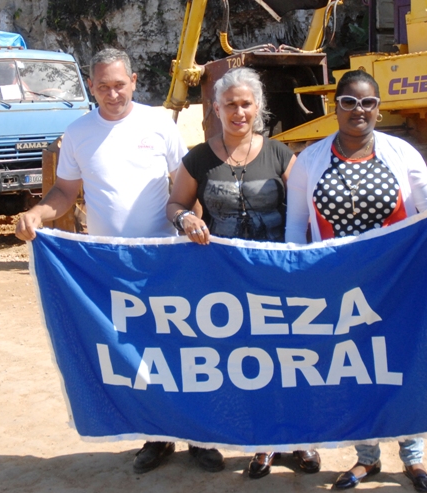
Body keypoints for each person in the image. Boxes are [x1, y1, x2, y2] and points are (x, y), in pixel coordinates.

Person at [14, 48, 225, 475]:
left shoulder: (158, 124)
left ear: (133, 80)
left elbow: (185, 189)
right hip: (108, 266)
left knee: (184, 349)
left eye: (119, 84)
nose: (113, 94)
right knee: (138, 354)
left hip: (166, 259)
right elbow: (64, 195)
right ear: (91, 88)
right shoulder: (76, 134)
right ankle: (157, 436)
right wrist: (37, 213)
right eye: (103, 87)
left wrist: (195, 242)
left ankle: (200, 436)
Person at [285, 69, 427, 493]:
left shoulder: (403, 152)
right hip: (338, 287)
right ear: (334, 107)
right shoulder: (310, 161)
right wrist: (298, 280)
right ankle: (366, 459)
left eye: (368, 102)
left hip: (396, 284)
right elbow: (295, 229)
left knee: (400, 365)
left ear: (379, 108)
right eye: (349, 102)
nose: (359, 110)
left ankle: (414, 458)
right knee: (355, 369)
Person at [165, 67, 321, 478]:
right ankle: (263, 444)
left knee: (290, 357)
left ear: (258, 108)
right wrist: (186, 221)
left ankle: (300, 439)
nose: (238, 111)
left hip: (279, 277)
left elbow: (305, 210)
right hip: (225, 281)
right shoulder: (198, 158)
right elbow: (175, 204)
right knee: (249, 362)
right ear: (216, 109)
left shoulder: (280, 155)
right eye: (230, 104)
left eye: (246, 104)